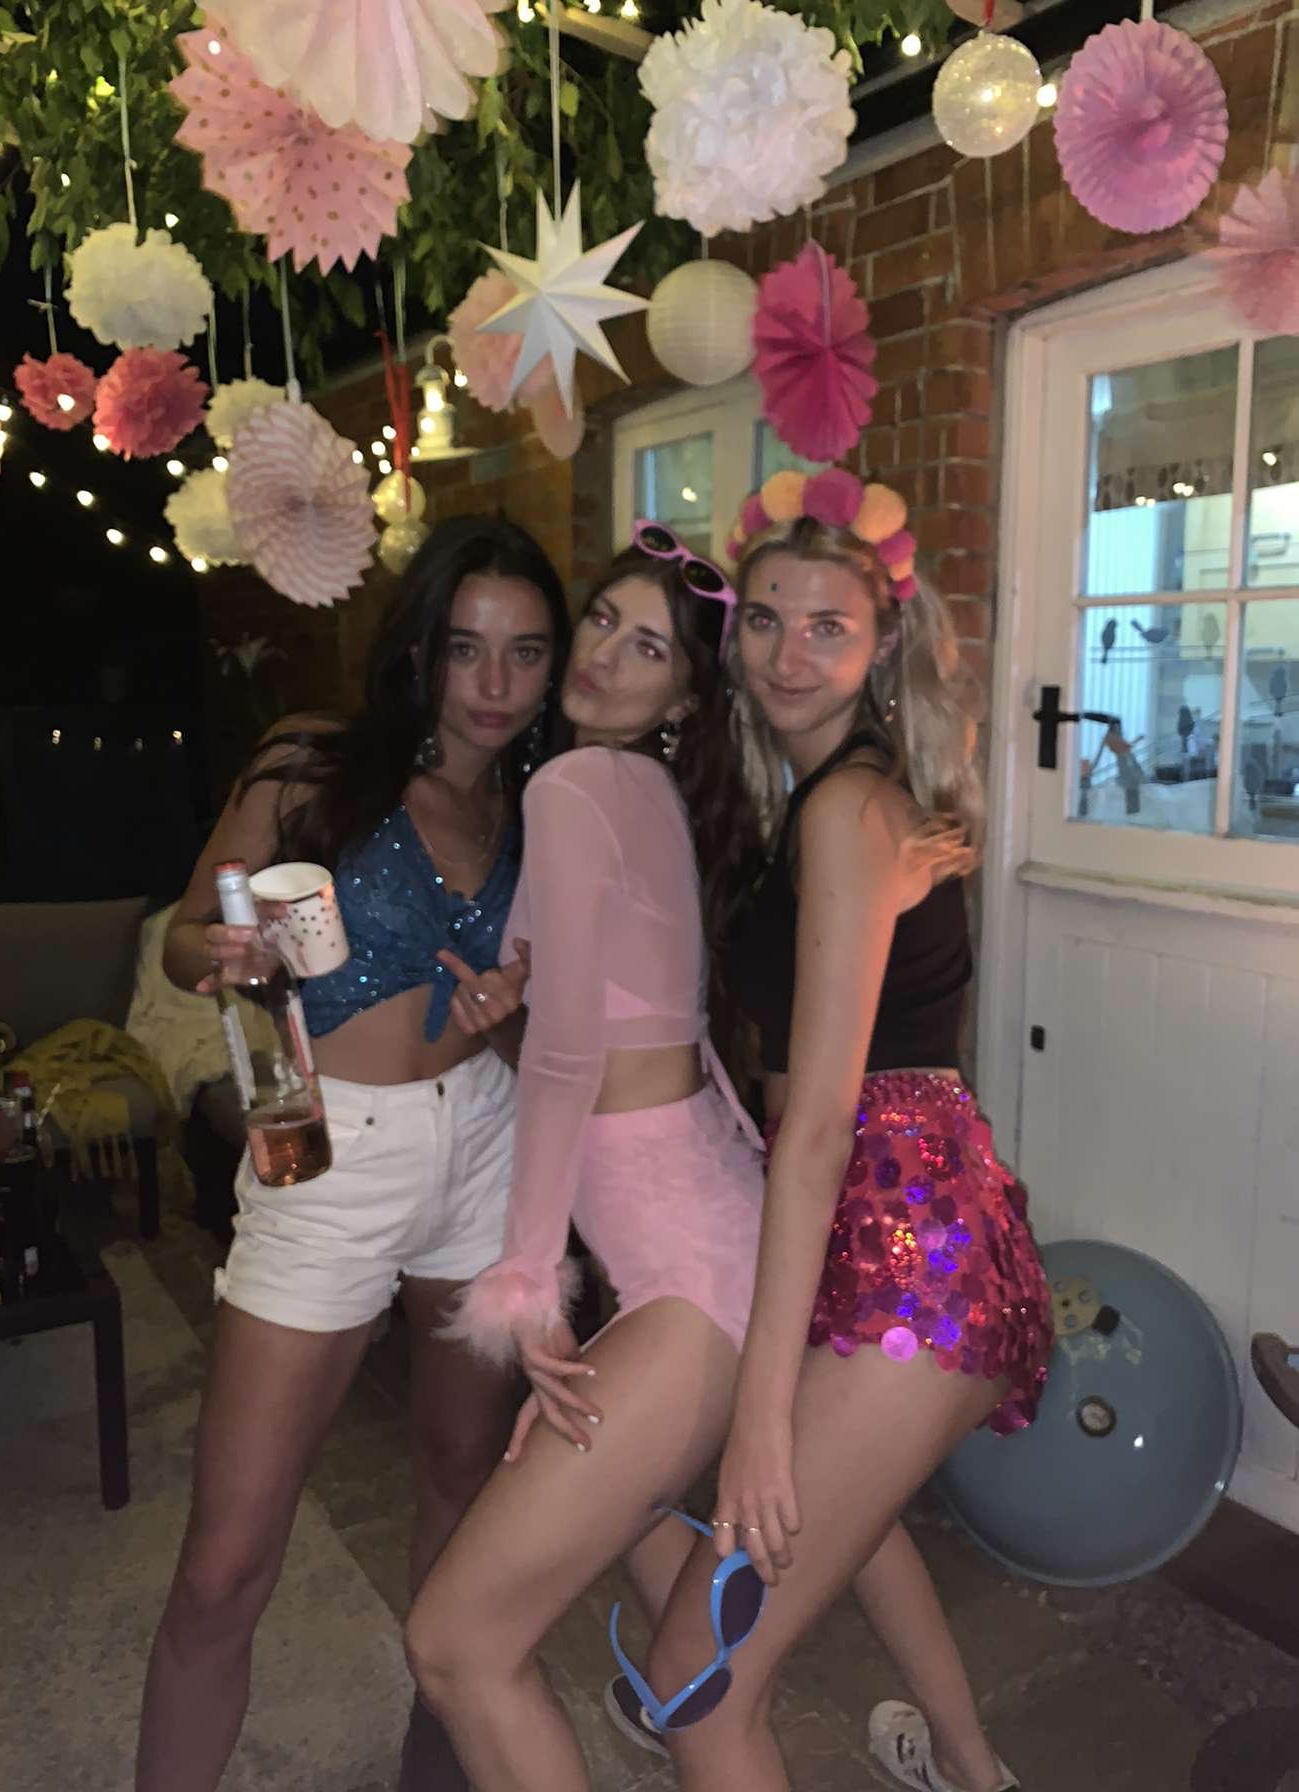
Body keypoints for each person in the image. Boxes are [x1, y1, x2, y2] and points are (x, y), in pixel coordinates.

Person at [135, 515, 570, 1792]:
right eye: (466, 647)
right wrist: (221, 956)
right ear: (419, 646)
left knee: (459, 1476)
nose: (493, 684)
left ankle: (436, 1760)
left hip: (483, 1139)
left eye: (525, 652)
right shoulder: (313, 763)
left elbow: (549, 1032)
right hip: (327, 1153)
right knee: (226, 1563)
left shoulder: (542, 807)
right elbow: (184, 934)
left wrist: (516, 1017)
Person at [643, 470, 1053, 1792]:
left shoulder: (841, 808)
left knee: (695, 1680)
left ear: (881, 648)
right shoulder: (845, 797)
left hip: (902, 1246)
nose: (787, 653)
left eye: (828, 625)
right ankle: (975, 1767)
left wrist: (758, 1419)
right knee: (856, 1527)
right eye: (765, 619)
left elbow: (819, 1123)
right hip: (911, 1221)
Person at [399, 525, 768, 1791]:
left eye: (649, 647)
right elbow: (621, 1020)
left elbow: (567, 1059)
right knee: (689, 1667)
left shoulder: (569, 785)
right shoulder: (650, 794)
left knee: (455, 1645)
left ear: (686, 697)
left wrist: (526, 1286)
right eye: (603, 620)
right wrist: (518, 994)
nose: (604, 655)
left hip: (686, 1280)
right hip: (711, 1247)